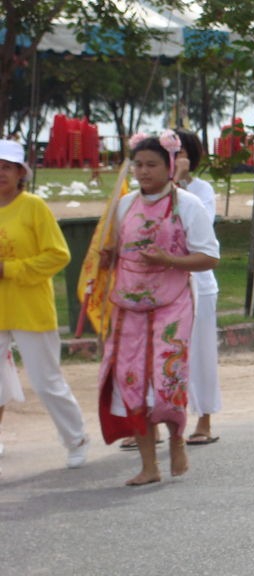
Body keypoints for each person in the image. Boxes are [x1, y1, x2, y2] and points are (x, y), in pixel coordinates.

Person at [98, 132, 220, 486]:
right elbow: (118, 248)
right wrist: (108, 258)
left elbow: (209, 256)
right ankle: (148, 464)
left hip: (172, 304)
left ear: (170, 167)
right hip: (128, 305)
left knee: (166, 377)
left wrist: (169, 259)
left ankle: (177, 440)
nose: (143, 171)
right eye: (138, 164)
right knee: (131, 381)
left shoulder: (188, 205)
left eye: (152, 164)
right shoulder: (124, 205)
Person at [0, 139, 90, 470]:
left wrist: (9, 269)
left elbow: (58, 255)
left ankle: (76, 438)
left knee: (45, 381)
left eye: (7, 167)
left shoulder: (34, 207)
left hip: (30, 308)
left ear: (21, 173)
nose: (1, 174)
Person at [174, 129, 223, 445]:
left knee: (200, 352)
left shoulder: (201, 191)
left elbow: (194, 227)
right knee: (152, 353)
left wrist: (176, 182)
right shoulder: (142, 193)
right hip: (156, 285)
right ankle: (149, 422)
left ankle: (203, 418)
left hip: (197, 283)